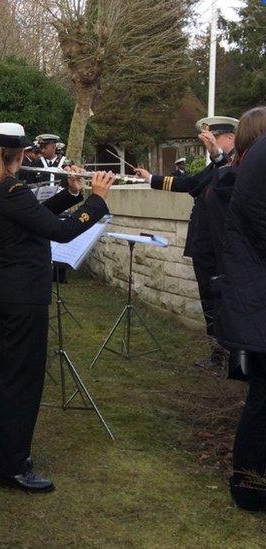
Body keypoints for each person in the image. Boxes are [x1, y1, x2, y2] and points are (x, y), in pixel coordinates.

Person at [0, 122, 113, 493]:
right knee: (21, 381)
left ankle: (13, 456)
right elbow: (61, 231)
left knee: (13, 377)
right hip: (20, 297)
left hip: (7, 291)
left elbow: (34, 217)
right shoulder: (10, 188)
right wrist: (96, 201)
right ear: (19, 154)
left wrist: (71, 194)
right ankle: (12, 467)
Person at [134, 116, 238, 369]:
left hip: (224, 246)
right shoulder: (214, 167)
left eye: (214, 137)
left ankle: (235, 356)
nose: (209, 142)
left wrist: (217, 156)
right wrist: (150, 178)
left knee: (227, 300)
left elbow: (230, 186)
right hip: (204, 244)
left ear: (230, 138)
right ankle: (217, 353)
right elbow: (190, 184)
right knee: (208, 298)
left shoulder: (237, 165)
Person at [202, 107, 266, 512]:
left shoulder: (237, 172)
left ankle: (249, 484)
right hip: (255, 302)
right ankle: (249, 486)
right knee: (261, 402)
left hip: (248, 304)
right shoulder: (247, 175)